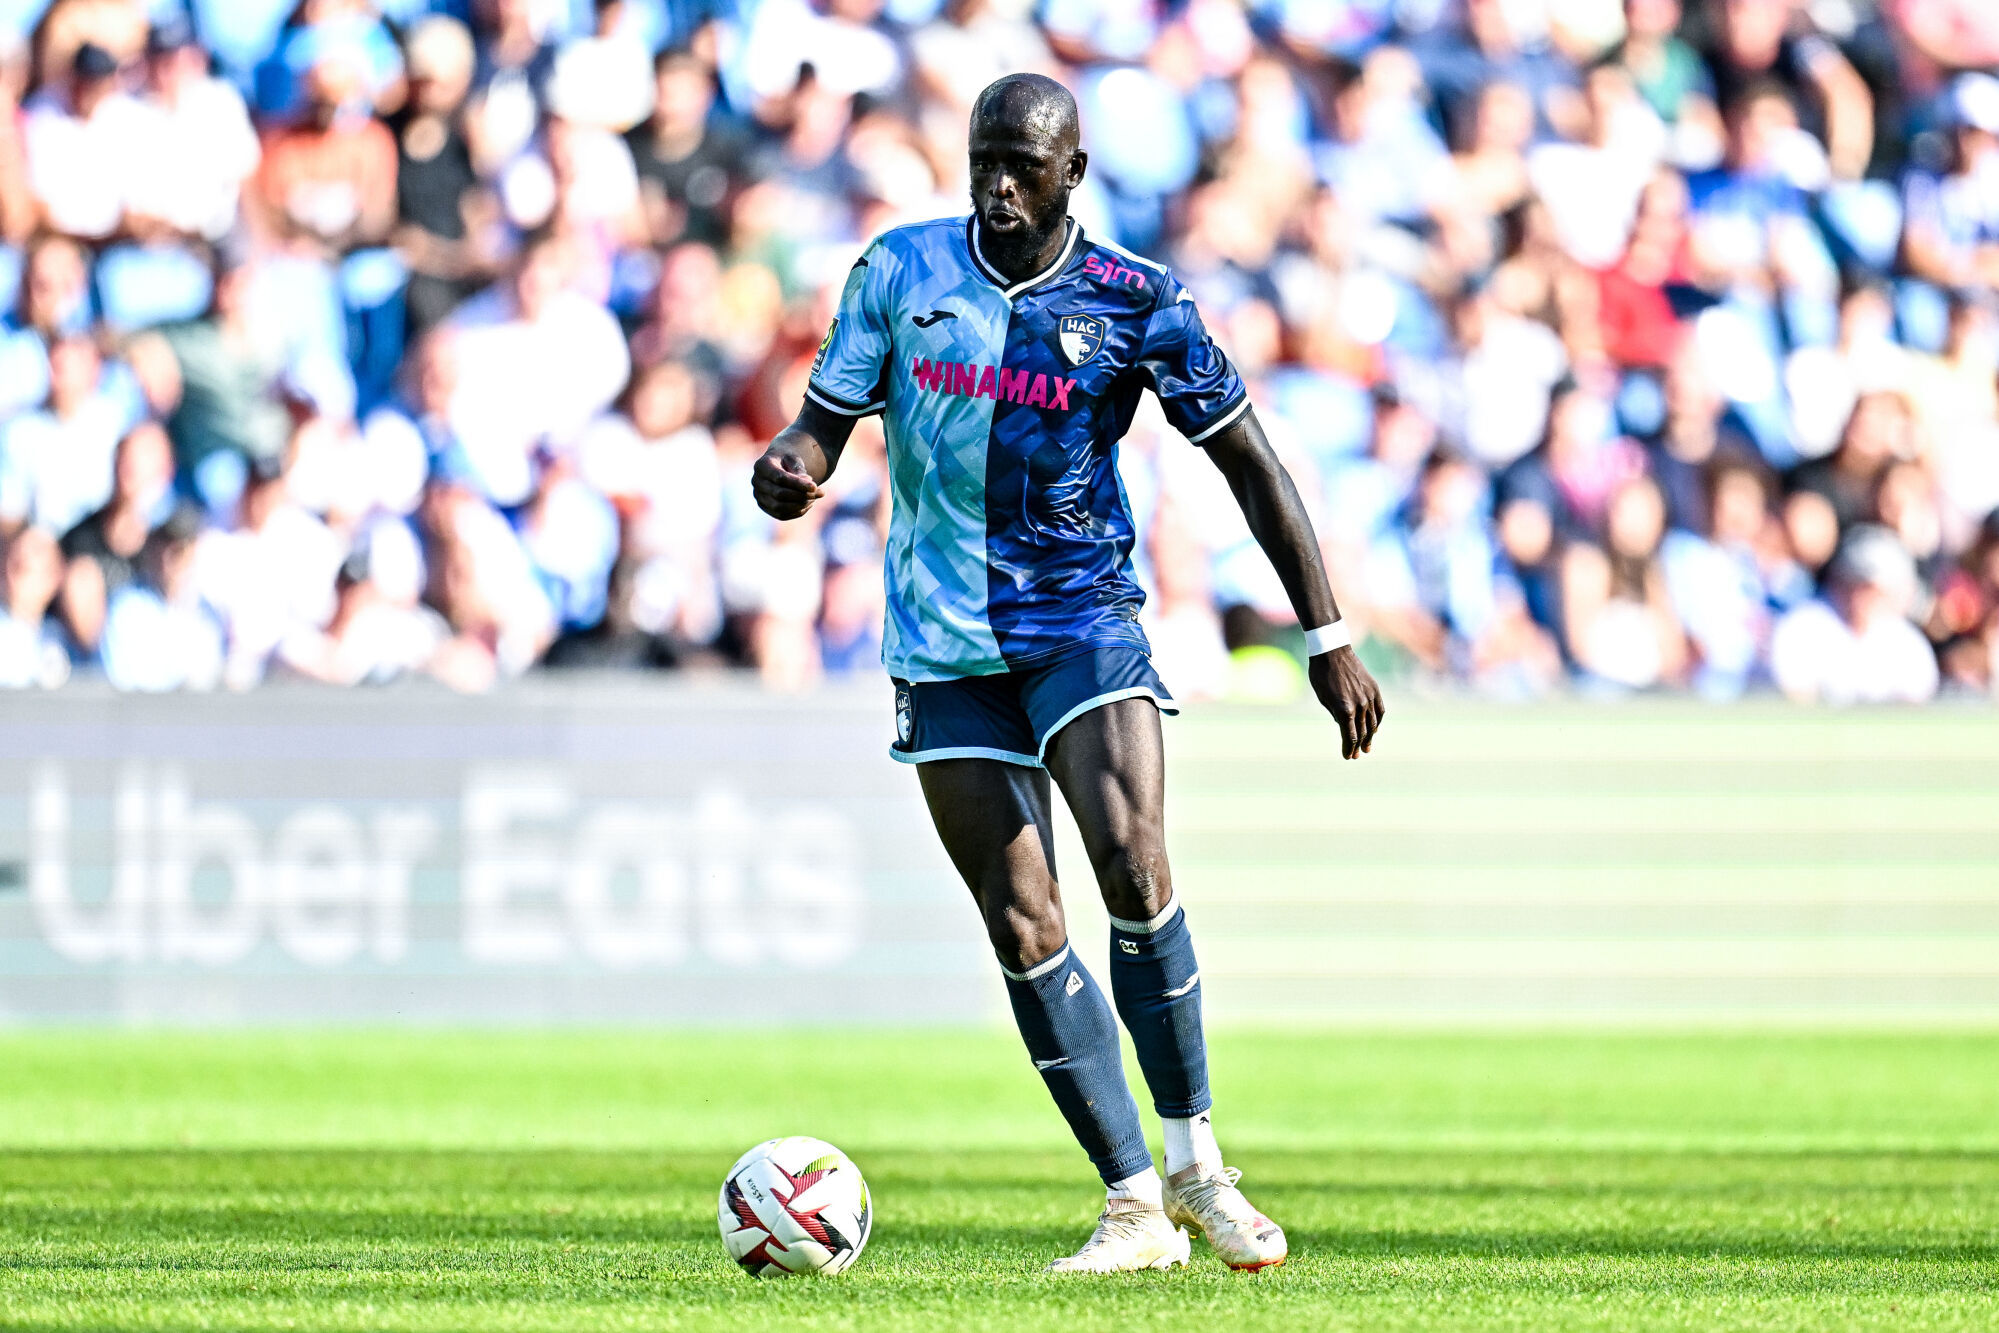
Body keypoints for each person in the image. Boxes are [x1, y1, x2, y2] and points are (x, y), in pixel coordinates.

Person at [749, 74, 1383, 1274]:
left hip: (1080, 622)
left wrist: (1327, 633)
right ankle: (1133, 1204)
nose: (997, 185)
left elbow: (1250, 461)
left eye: (1022, 166)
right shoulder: (896, 272)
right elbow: (818, 429)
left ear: (1072, 173)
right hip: (941, 642)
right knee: (1023, 917)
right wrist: (792, 465)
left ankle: (1199, 1166)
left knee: (1133, 861)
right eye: (983, 159)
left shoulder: (1138, 300)